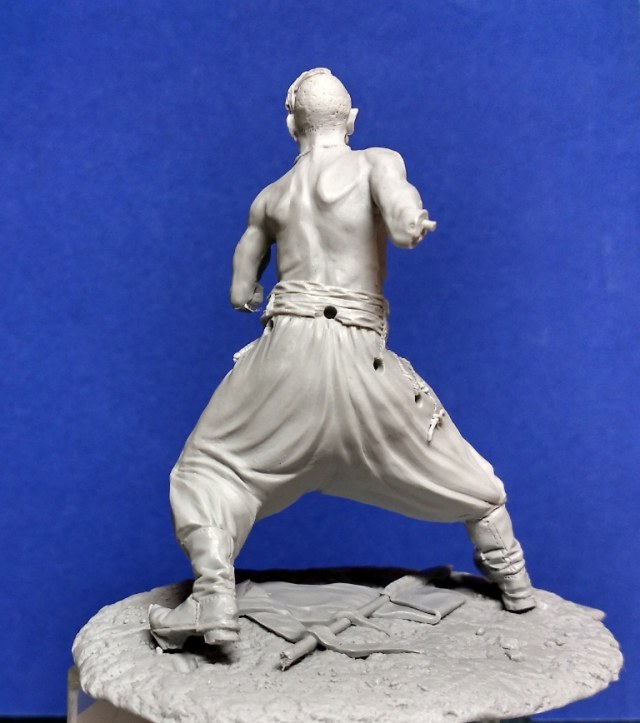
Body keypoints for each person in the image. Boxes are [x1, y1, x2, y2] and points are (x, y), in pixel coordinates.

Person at [149, 68, 536, 650]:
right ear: (351, 121)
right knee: (471, 483)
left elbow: (240, 286)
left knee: (206, 470)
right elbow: (401, 210)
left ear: (292, 125)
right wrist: (408, 224)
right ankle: (516, 583)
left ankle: (213, 593)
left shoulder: (271, 197)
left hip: (283, 360)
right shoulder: (377, 162)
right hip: (360, 359)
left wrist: (250, 289)